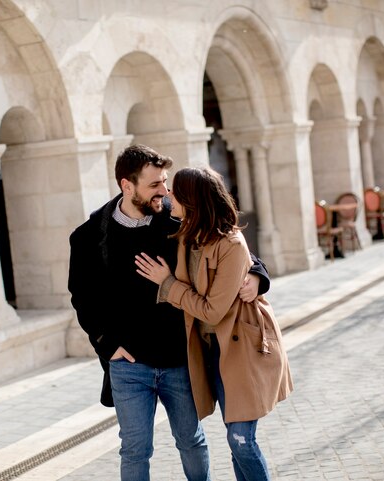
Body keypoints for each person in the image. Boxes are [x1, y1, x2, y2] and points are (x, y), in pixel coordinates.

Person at [67, 144, 270, 481]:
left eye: (164, 181)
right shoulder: (90, 237)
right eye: (155, 185)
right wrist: (106, 343)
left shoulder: (177, 221)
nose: (164, 191)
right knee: (135, 450)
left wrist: (257, 276)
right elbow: (82, 297)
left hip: (180, 359)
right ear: (126, 186)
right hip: (128, 365)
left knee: (191, 441)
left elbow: (227, 245)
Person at [134, 166, 293, 481]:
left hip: (244, 350)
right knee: (236, 442)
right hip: (212, 353)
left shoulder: (230, 243)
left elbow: (212, 311)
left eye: (175, 192)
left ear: (192, 201)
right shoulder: (185, 233)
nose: (167, 196)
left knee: (241, 440)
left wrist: (168, 284)